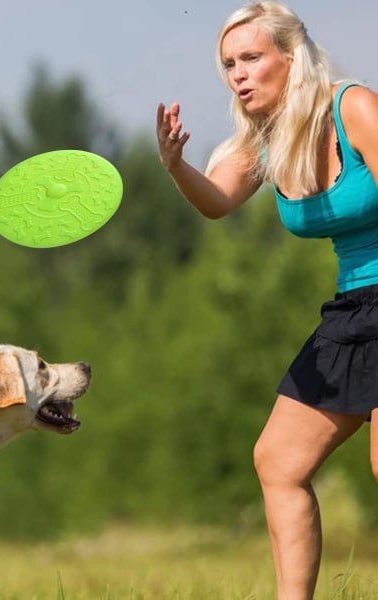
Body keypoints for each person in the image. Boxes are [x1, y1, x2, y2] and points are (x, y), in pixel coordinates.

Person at [156, 2, 378, 599]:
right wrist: (176, 166)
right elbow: (217, 200)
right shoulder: (266, 138)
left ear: (291, 55)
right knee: (279, 462)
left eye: (252, 57)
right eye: (229, 64)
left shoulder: (353, 107)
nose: (238, 74)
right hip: (353, 308)